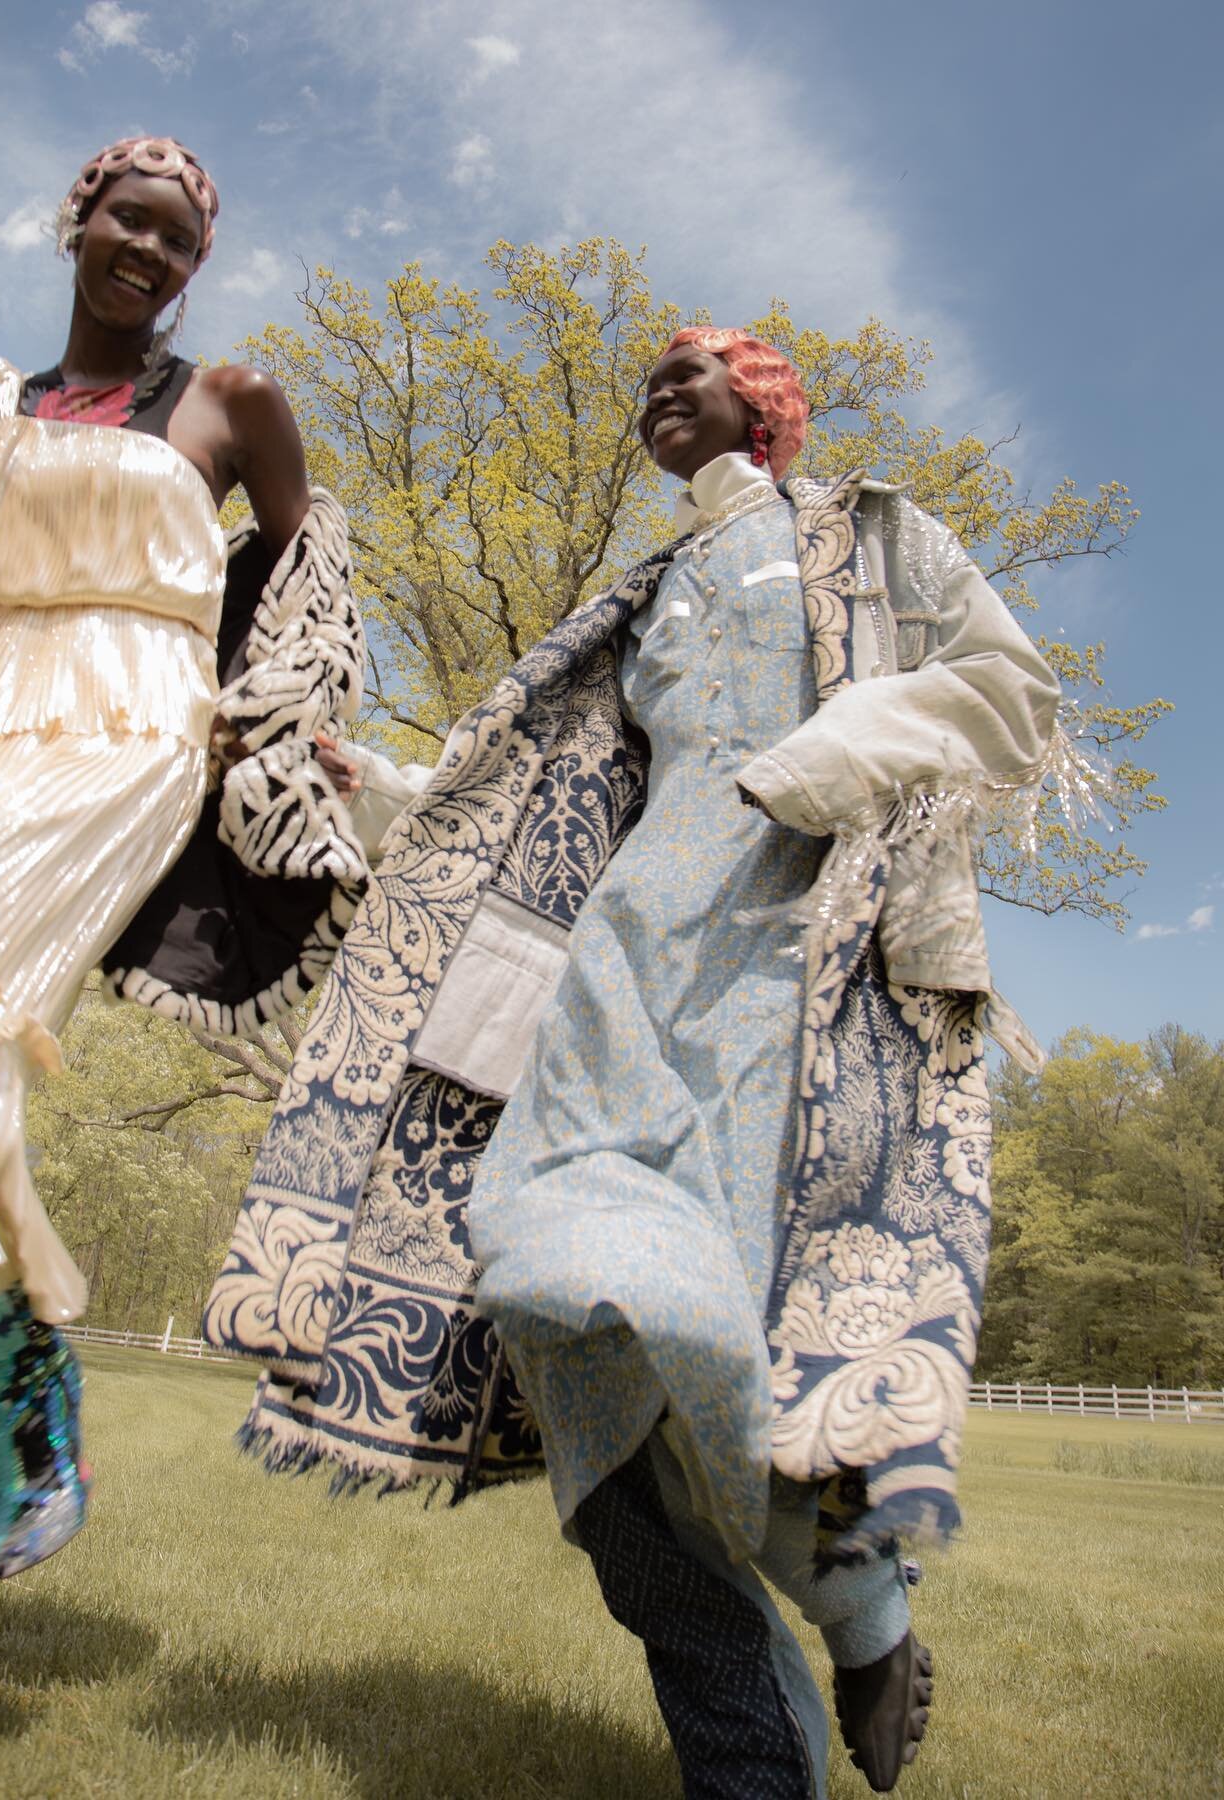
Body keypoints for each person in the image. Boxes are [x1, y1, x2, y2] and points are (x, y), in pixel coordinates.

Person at [201, 328, 1064, 1795]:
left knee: (684, 1379)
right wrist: (401, 786)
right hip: (616, 975)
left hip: (789, 977)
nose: (662, 388)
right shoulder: (646, 591)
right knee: (549, 1282)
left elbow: (1006, 689)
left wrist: (830, 751)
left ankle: (790, 1707)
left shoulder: (870, 533)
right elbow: (559, 800)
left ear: (768, 402)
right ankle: (859, 1601)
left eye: (697, 367)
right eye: (651, 375)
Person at [0, 135, 367, 1756]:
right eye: (129, 221)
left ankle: (17, 1397)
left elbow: (309, 588)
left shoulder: (232, 404)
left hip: (118, 740)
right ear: (75, 223)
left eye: (179, 237)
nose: (151, 253)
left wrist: (293, 737)